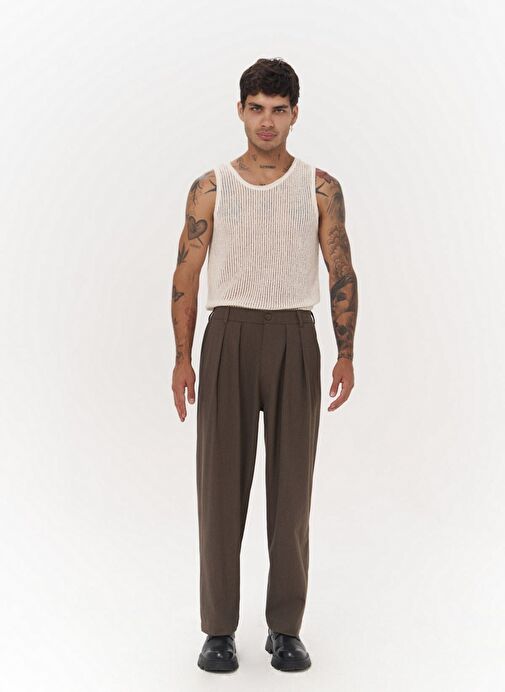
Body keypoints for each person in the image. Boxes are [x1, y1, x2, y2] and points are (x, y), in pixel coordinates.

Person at [171, 57, 358, 673]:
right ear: (241, 111)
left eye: (279, 109)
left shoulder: (320, 187)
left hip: (295, 337)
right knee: (219, 490)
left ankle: (285, 628)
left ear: (295, 113)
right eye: (257, 108)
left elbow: (340, 268)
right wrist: (182, 358)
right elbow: (186, 274)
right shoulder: (211, 187)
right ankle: (219, 629)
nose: (267, 121)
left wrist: (346, 352)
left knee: (291, 492)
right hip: (227, 334)